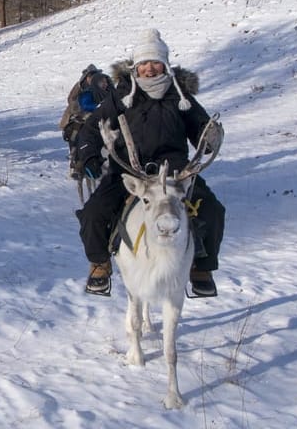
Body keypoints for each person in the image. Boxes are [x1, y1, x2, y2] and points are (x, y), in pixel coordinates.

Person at [73, 29, 226, 298]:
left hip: (174, 176)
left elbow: (201, 128)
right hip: (129, 172)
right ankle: (100, 265)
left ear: (165, 64)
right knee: (94, 213)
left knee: (212, 210)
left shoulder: (180, 96)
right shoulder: (120, 96)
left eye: (155, 63)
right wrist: (90, 157)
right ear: (136, 67)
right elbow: (91, 129)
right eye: (144, 63)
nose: (150, 69)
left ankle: (201, 268)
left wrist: (210, 134)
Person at [60, 65, 114, 176]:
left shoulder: (108, 87)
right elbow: (76, 101)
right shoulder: (81, 89)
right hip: (81, 115)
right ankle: (77, 159)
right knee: (76, 132)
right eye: (90, 76)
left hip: (104, 115)